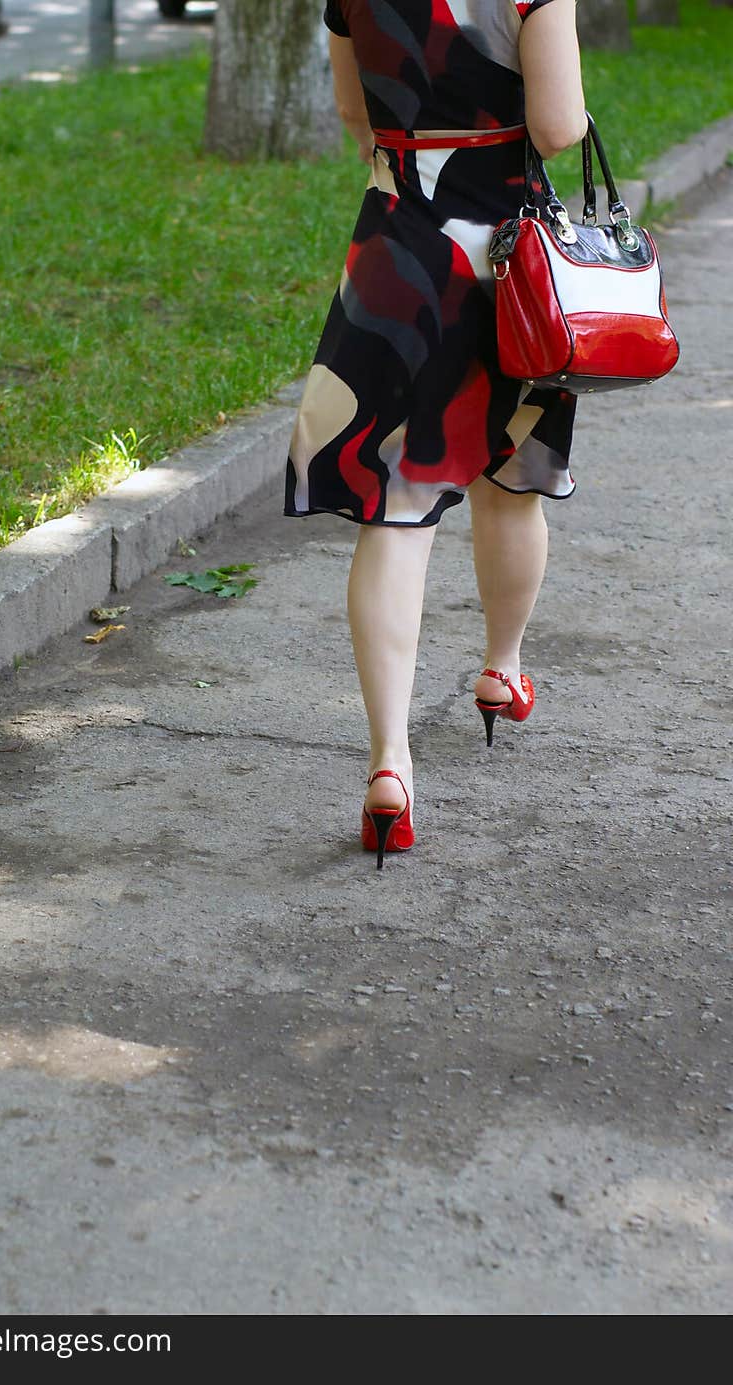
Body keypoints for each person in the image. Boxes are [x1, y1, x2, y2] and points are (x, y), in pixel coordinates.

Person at [284, 0, 588, 867]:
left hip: (397, 248)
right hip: (508, 254)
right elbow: (558, 126)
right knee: (512, 479)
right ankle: (502, 666)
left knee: (396, 505)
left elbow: (355, 113)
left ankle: (390, 762)